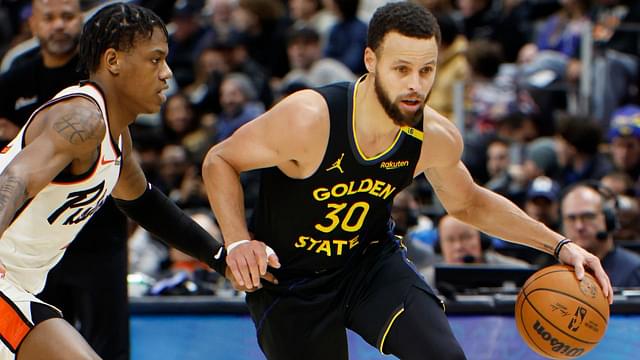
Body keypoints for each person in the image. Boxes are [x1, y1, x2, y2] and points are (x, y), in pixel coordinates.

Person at [202, 3, 613, 359]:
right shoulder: (310, 119)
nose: (416, 84)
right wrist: (238, 241)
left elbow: (469, 203)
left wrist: (560, 245)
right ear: (370, 60)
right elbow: (220, 159)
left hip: (368, 266)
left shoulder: (433, 137)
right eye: (401, 69)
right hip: (291, 280)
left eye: (426, 69)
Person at [0, 4, 276, 360]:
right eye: (155, 60)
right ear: (113, 60)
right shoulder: (82, 120)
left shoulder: (117, 139)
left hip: (22, 284)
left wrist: (221, 259)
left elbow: (143, 202)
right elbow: (15, 179)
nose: (167, 73)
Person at [0, 2, 132, 359]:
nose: (59, 25)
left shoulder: (101, 94)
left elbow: (143, 196)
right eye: (50, 18)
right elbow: (17, 174)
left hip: (94, 239)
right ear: (33, 24)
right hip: (22, 247)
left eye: (68, 17)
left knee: (110, 345)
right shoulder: (16, 76)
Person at [560, 181, 640, 287]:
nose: (579, 226)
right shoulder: (555, 273)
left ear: (608, 219)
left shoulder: (634, 270)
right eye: (571, 218)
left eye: (588, 216)